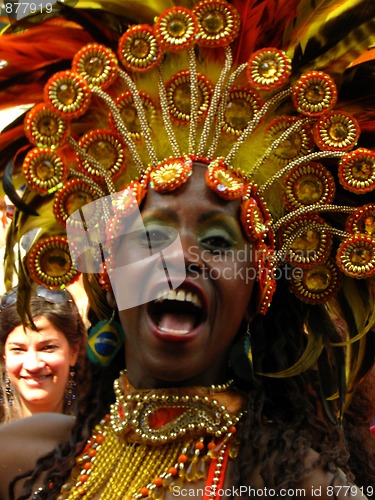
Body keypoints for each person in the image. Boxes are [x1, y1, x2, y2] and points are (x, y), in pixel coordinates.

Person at [0, 0, 374, 499]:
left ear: (258, 289)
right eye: (152, 236)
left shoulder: (299, 485)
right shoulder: (19, 459)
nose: (181, 257)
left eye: (219, 241)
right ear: (109, 270)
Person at [0, 286, 88, 422]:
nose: (32, 365)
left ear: (74, 352)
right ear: (4, 355)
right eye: (18, 350)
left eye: (47, 348)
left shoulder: (104, 435)